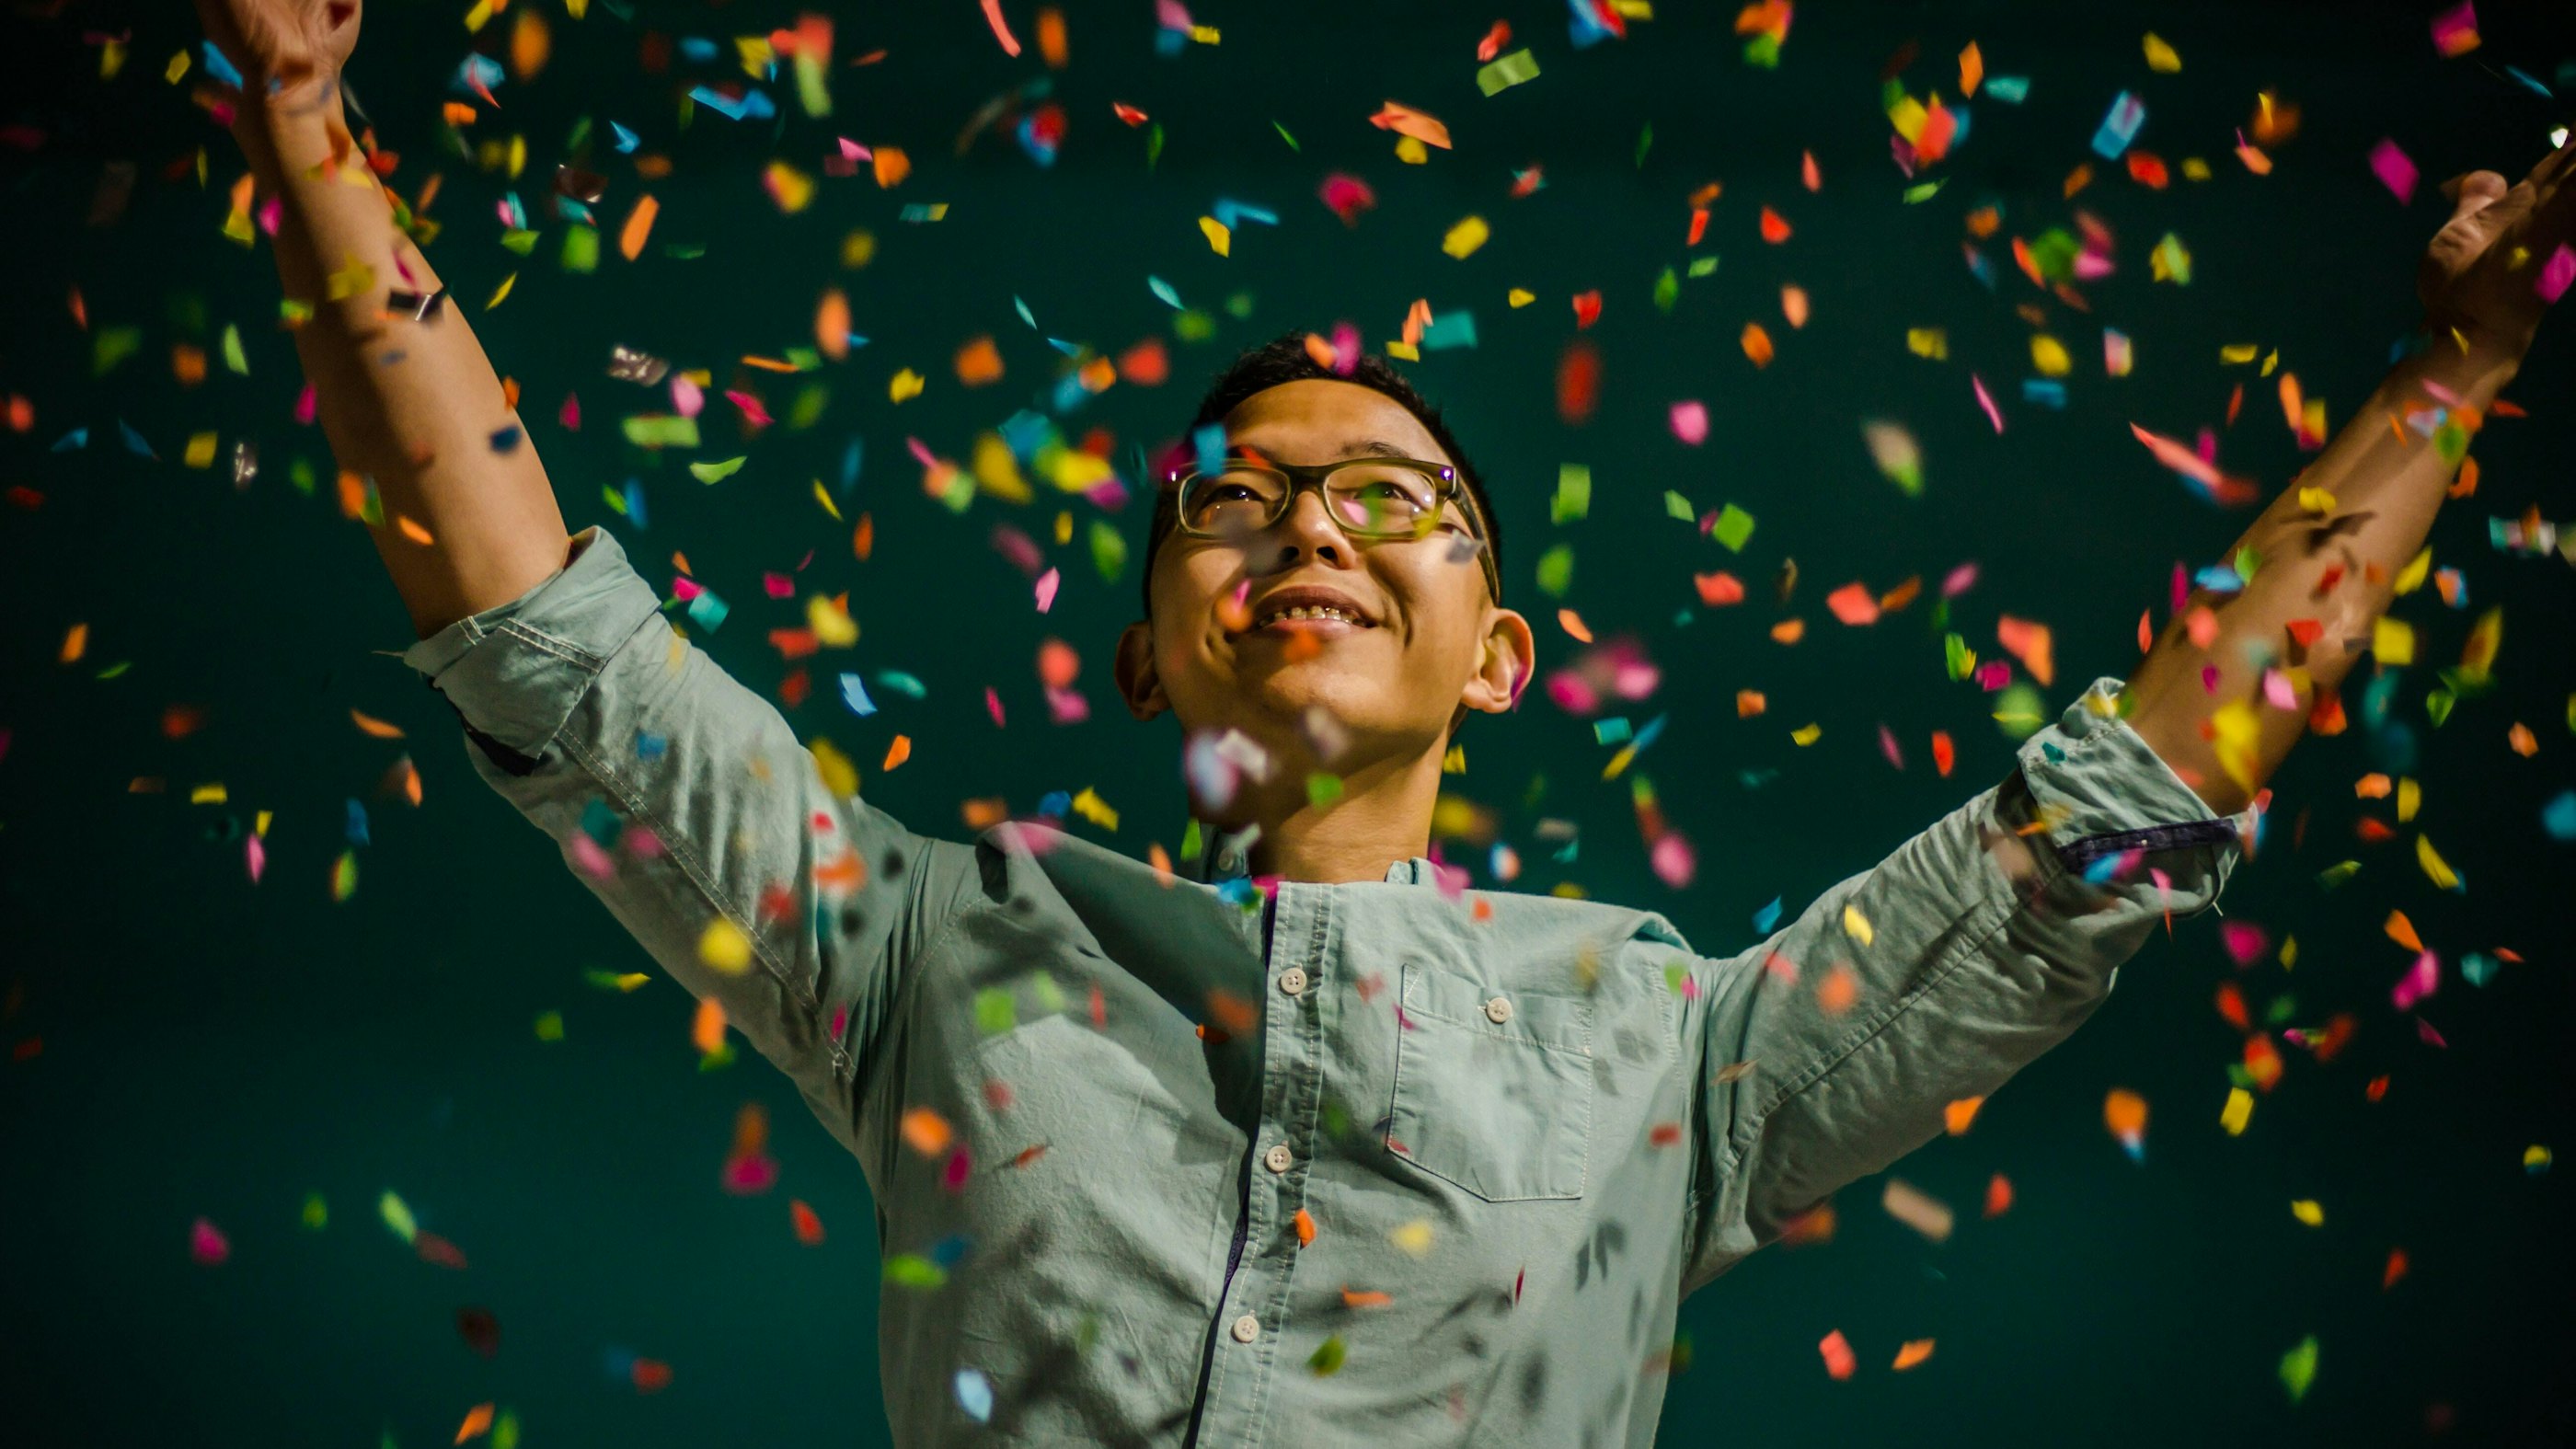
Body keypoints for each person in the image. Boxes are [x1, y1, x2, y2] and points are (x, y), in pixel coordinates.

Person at [197, 0, 2569, 1443]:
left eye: (1391, 500)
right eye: (1235, 497)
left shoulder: (1686, 1057)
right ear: (1148, 642)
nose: (1307, 528)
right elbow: (548, 638)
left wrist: (2457, 371)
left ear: (1501, 650)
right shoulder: (928, 950)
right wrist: (306, 129)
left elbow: (2111, 816)